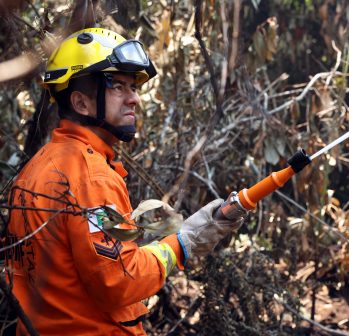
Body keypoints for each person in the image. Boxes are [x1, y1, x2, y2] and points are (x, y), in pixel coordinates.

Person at [6, 27, 243, 335]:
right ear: (80, 103)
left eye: (133, 87)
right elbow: (120, 280)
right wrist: (184, 242)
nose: (134, 99)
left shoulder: (36, 168)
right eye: (117, 86)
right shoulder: (90, 178)